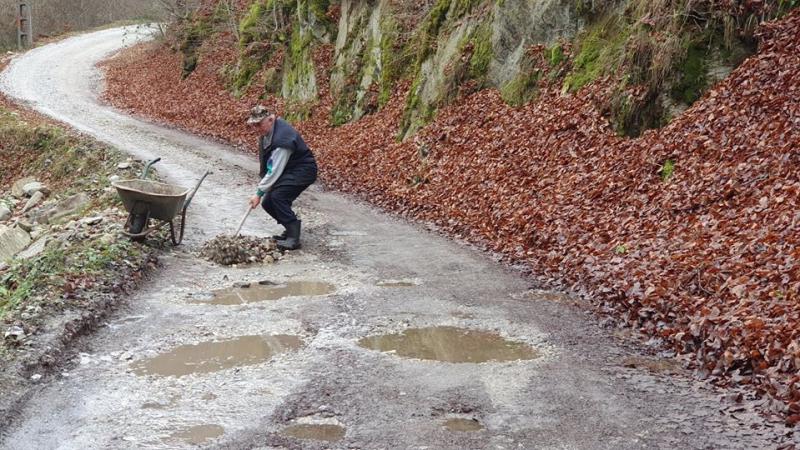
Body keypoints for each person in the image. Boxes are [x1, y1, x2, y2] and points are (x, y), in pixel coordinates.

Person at [247, 106, 318, 250]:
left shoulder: (282, 140)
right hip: (289, 169)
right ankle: (289, 228)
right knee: (268, 203)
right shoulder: (269, 133)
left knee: (278, 197)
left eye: (259, 124)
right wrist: (264, 189)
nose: (256, 128)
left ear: (271, 119)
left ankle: (293, 238)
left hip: (303, 170)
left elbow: (274, 170)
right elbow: (268, 164)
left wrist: (259, 192)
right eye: (254, 125)